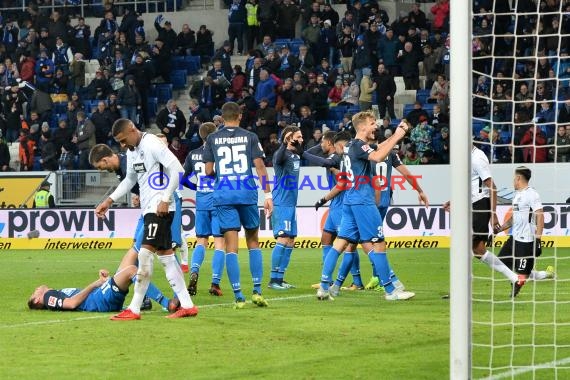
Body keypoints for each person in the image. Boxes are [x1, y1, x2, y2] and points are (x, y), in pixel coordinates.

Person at [94, 119, 197, 320]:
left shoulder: (152, 144)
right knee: (166, 258)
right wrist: (109, 200)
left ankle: (134, 308)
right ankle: (187, 305)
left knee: (143, 254)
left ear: (133, 129)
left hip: (160, 208)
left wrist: (166, 198)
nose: (122, 146)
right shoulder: (133, 151)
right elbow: (130, 180)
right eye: (119, 142)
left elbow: (178, 170)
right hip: (149, 209)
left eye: (124, 140)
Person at [316, 112, 416, 301]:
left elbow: (378, 148)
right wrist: (397, 136)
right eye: (372, 123)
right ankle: (391, 291)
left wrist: (393, 136)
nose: (375, 126)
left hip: (349, 200)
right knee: (378, 243)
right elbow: (378, 157)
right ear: (362, 127)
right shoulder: (360, 146)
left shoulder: (351, 147)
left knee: (340, 243)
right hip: (363, 200)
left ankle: (323, 287)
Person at [202, 102, 273, 309]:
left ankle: (238, 295)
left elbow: (207, 171)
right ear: (240, 116)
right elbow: (260, 167)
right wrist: (267, 194)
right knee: (253, 241)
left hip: (224, 195)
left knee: (231, 246)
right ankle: (257, 291)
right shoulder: (250, 137)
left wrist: (222, 177)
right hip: (247, 193)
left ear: (222, 119)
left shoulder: (212, 139)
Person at [443, 144, 525, 297]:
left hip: (481, 207)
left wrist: (493, 215)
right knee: (478, 250)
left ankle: (460, 289)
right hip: (474, 205)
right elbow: (471, 187)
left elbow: (492, 187)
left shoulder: (477, 158)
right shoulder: (467, 158)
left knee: (463, 246)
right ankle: (515, 278)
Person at [28, 248, 178, 313]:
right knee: (131, 270)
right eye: (34, 293)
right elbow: (72, 304)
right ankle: (166, 303)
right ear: (37, 300)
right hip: (100, 301)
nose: (37, 289)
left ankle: (141, 301)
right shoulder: (48, 297)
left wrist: (100, 283)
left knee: (133, 252)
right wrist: (96, 283)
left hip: (100, 295)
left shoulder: (54, 294)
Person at [494, 167, 552, 297]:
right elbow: (514, 218)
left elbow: (540, 215)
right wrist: (499, 229)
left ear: (519, 178)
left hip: (526, 241)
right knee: (502, 262)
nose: (513, 181)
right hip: (514, 239)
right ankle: (546, 274)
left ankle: (517, 285)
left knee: (522, 273)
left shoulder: (532, 194)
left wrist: (538, 239)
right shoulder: (517, 196)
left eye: (514, 178)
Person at [183, 122, 226, 297]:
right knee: (220, 243)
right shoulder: (219, 153)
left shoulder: (193, 154)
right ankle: (215, 283)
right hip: (218, 201)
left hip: (201, 202)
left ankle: (194, 272)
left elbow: (182, 178)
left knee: (201, 241)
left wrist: (196, 188)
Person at [268, 125, 303, 290]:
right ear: (290, 138)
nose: (301, 139)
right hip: (281, 203)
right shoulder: (281, 154)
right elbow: (277, 159)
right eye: (299, 136)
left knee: (290, 241)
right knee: (282, 239)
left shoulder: (296, 155)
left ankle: (280, 278)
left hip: (291, 204)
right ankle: (273, 280)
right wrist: (284, 142)